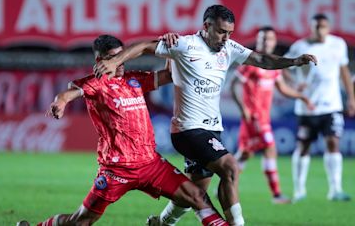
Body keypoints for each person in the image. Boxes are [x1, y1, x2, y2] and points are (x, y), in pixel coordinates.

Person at [94, 5, 317, 226]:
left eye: (229, 32)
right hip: (188, 130)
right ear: (206, 26)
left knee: (196, 189)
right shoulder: (185, 44)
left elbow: (261, 60)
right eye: (221, 31)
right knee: (230, 167)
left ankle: (162, 223)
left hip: (212, 129)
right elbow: (143, 47)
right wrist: (114, 62)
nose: (225, 38)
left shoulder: (229, 47)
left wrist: (294, 61)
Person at [17, 35, 229, 226]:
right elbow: (69, 93)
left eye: (122, 56)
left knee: (197, 197)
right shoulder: (95, 84)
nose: (120, 63)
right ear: (100, 61)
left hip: (151, 164)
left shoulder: (133, 80)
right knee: (82, 221)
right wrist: (60, 102)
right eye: (113, 58)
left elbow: (168, 75)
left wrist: (171, 50)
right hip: (117, 170)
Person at [230, 26, 314, 204]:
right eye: (261, 39)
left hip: (263, 117)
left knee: (245, 154)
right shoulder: (251, 63)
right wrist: (243, 108)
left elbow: (283, 89)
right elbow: (233, 85)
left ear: (274, 42)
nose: (264, 42)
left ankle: (225, 182)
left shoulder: (273, 67)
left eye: (268, 38)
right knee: (270, 148)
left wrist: (302, 97)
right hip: (254, 117)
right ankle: (276, 195)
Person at [283, 13, 355, 202]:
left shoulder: (338, 44)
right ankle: (299, 190)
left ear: (328, 27)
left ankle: (335, 189)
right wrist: (292, 84)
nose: (320, 30)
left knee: (333, 143)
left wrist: (351, 98)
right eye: (317, 27)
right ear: (311, 27)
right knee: (304, 146)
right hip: (308, 107)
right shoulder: (301, 46)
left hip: (332, 105)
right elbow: (282, 67)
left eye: (323, 27)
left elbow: (344, 71)